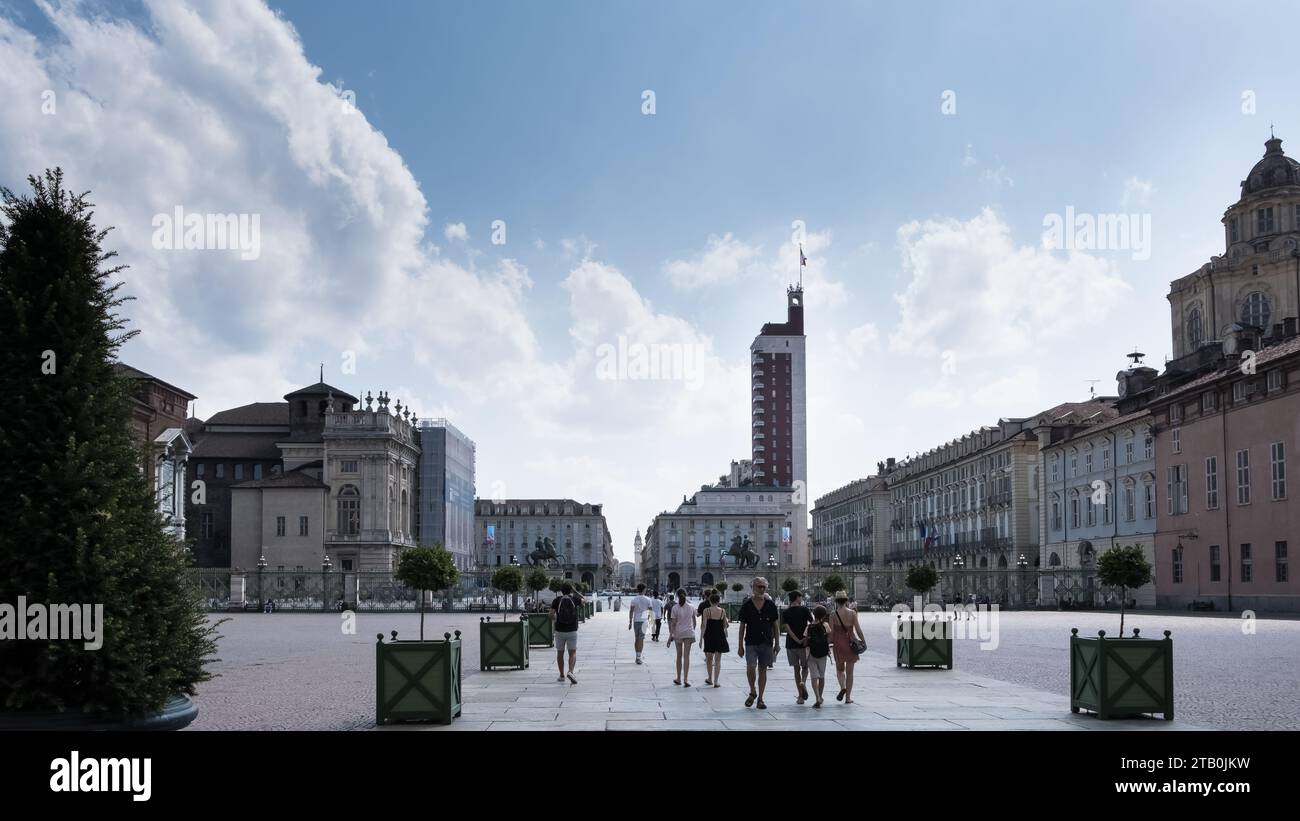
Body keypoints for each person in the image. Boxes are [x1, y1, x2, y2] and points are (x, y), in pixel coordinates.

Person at [736, 577, 780, 709]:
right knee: (750, 667)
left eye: (763, 587)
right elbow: (742, 626)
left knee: (763, 670)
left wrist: (777, 643)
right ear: (753, 588)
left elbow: (775, 625)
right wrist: (739, 645)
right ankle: (752, 690)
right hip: (750, 641)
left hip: (766, 641)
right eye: (758, 586)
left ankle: (760, 698)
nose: (761, 589)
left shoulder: (770, 605)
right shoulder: (747, 605)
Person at [831, 591, 866, 704]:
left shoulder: (833, 614)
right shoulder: (852, 613)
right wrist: (863, 641)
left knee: (840, 670)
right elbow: (858, 629)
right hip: (851, 643)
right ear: (846, 601)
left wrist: (827, 643)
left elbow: (831, 633)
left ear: (836, 601)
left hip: (838, 643)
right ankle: (848, 697)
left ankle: (842, 687)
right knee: (850, 672)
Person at [781, 590, 813, 704]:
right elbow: (812, 624)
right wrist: (804, 638)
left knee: (796, 669)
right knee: (805, 667)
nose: (801, 599)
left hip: (791, 644)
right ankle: (803, 682)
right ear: (797, 598)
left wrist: (796, 640)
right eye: (801, 597)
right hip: (804, 644)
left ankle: (800, 696)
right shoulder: (804, 610)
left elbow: (787, 629)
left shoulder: (785, 612)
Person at [550, 582, 583, 684]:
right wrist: (576, 592)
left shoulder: (556, 600)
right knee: (572, 652)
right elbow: (585, 600)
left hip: (559, 630)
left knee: (560, 653)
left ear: (561, 591)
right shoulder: (574, 599)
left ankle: (561, 675)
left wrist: (555, 619)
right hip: (572, 630)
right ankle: (571, 672)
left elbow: (551, 614)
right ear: (571, 591)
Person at [700, 591, 729, 687]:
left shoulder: (706, 611)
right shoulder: (722, 611)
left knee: (709, 658)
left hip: (709, 636)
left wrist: (701, 639)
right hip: (720, 635)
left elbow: (704, 625)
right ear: (718, 601)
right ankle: (716, 681)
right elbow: (725, 625)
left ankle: (709, 678)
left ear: (710, 600)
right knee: (718, 660)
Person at [668, 588, 696, 686]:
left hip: (678, 633)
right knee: (687, 656)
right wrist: (692, 629)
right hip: (689, 633)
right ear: (686, 594)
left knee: (679, 656)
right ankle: (686, 679)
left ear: (677, 595)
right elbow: (694, 622)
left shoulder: (675, 608)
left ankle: (678, 678)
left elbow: (673, 624)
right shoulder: (691, 607)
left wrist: (670, 636)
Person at [806, 605, 831, 708]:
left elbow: (806, 640)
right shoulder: (825, 625)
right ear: (824, 615)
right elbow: (829, 638)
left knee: (813, 676)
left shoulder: (809, 627)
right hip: (823, 654)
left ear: (813, 614)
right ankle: (820, 696)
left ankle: (816, 697)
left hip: (811, 653)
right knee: (821, 676)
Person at [627, 583, 654, 665]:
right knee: (641, 639)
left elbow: (631, 611)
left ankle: (637, 656)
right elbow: (650, 611)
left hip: (636, 621)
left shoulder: (634, 599)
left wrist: (630, 622)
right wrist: (651, 622)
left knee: (637, 638)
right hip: (644, 621)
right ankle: (638, 657)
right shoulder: (648, 599)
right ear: (644, 589)